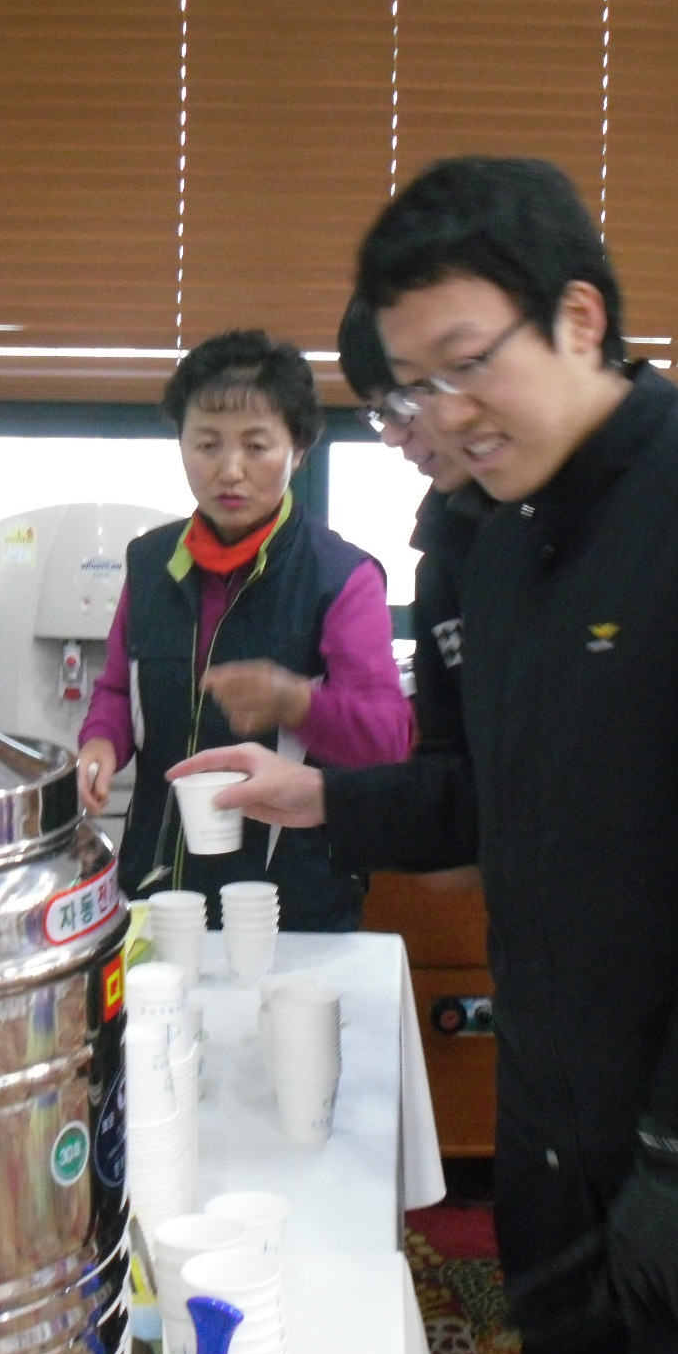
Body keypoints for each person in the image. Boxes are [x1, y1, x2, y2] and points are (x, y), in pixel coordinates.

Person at [173, 158, 678, 1354]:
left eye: (465, 363)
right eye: (411, 387)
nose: (442, 415)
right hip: (558, 1106)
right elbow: (492, 799)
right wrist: (319, 796)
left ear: (578, 319)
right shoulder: (500, 547)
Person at [75, 329, 412, 930]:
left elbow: (388, 740)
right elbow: (119, 689)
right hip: (158, 888)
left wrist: (295, 702)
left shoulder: (341, 577)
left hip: (292, 902)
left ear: (298, 450)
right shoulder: (151, 563)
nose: (230, 471)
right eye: (207, 444)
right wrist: (101, 742)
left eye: (257, 446)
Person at [336, 295, 492, 766]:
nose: (390, 435)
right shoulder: (443, 560)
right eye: (379, 413)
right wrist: (320, 795)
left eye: (400, 404)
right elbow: (448, 761)